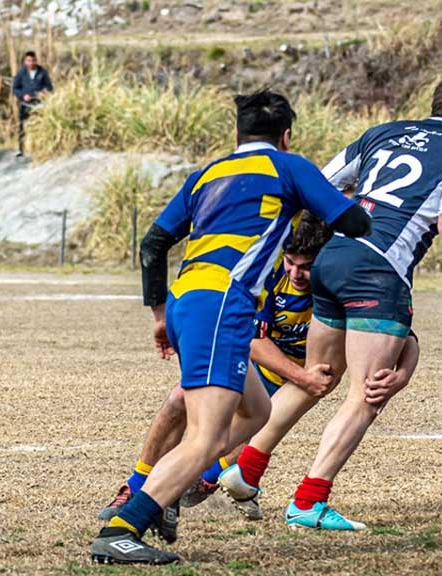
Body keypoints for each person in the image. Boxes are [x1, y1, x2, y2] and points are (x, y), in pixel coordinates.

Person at [88, 90, 372, 565]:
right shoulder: (289, 166)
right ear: (285, 135)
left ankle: (161, 493)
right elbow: (354, 223)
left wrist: (160, 315)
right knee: (205, 438)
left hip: (187, 300)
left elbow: (153, 245)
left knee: (256, 412)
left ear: (236, 134)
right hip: (223, 303)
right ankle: (124, 527)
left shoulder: (208, 173)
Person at [216, 72, 442, 532]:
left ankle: (245, 469)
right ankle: (309, 503)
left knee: (320, 378)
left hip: (332, 257)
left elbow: (322, 185)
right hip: (378, 270)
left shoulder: (383, 133)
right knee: (368, 394)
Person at [94, 214, 342, 529]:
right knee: (179, 400)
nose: (296, 273)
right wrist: (301, 376)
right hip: (256, 364)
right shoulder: (270, 273)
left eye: (306, 266)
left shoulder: (339, 283)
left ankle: (207, 482)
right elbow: (253, 341)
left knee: (249, 424)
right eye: (291, 262)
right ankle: (137, 486)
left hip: (291, 386)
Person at [12, 51, 53, 157]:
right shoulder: (21, 73)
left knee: (41, 127)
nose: (31, 63)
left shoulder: (42, 72)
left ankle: (41, 149)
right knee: (23, 127)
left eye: (33, 60)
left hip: (40, 105)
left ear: (36, 60)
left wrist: (44, 92)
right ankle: (22, 150)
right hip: (26, 105)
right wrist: (23, 95)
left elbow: (50, 88)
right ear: (25, 61)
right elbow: (15, 88)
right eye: (29, 60)